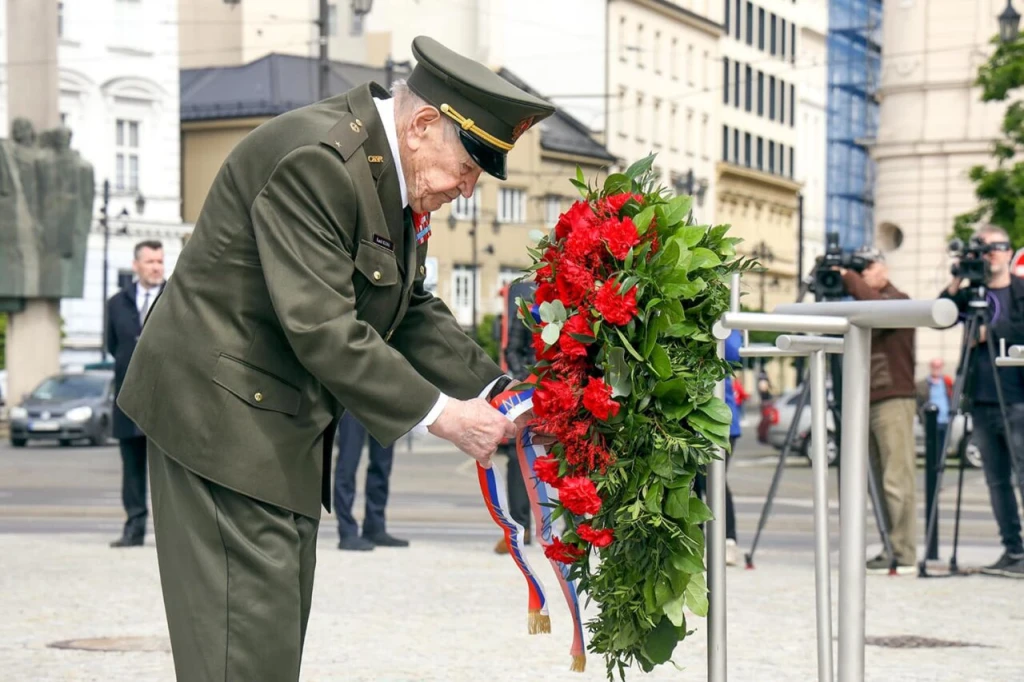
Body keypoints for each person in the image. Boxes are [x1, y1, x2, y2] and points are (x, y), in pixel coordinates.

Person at [115, 36, 556, 681]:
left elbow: (407, 312)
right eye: (468, 167)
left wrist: (503, 391)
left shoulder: (386, 178)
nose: (466, 189)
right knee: (244, 654)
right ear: (424, 124)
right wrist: (444, 415)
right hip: (219, 426)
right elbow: (322, 324)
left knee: (266, 648)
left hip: (270, 429)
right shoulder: (320, 161)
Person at [941, 224, 1024, 578]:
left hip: (1018, 398)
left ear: (1008, 252)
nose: (990, 254)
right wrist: (958, 277)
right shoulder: (970, 293)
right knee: (996, 481)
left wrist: (991, 333)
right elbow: (939, 315)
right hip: (982, 398)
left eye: (996, 247)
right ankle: (1013, 550)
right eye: (983, 249)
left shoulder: (1020, 291)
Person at [839, 249, 918, 574]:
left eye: (868, 267)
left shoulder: (899, 299)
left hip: (893, 398)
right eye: (860, 269)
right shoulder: (861, 300)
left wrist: (849, 277)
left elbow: (878, 310)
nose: (864, 274)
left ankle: (905, 552)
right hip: (864, 398)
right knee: (873, 479)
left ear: (884, 268)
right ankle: (890, 546)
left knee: (895, 479)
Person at [106, 240, 164, 548]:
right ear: (136, 265)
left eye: (160, 262)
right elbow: (113, 346)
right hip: (128, 400)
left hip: (166, 401)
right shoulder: (117, 303)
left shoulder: (175, 298)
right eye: (151, 261)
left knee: (168, 475)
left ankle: (173, 536)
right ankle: (134, 529)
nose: (156, 267)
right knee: (132, 471)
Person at [494, 281, 535, 555]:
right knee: (517, 457)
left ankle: (574, 533)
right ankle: (520, 529)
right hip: (530, 390)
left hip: (567, 388)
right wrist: (526, 381)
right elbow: (512, 350)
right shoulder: (529, 306)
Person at [695, 328, 741, 566]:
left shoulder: (723, 319)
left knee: (713, 481)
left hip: (720, 421)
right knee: (693, 482)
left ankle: (727, 540)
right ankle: (699, 540)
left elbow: (734, 351)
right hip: (690, 418)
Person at [333, 411, 406, 550]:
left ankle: (375, 527)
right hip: (352, 399)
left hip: (384, 401)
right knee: (348, 462)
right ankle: (347, 531)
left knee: (382, 465)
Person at [916, 357, 953, 458]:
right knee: (932, 447)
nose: (936, 368)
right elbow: (918, 404)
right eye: (934, 366)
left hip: (945, 420)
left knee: (943, 447)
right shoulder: (923, 384)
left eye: (939, 366)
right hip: (931, 421)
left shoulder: (946, 382)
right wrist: (922, 418)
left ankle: (939, 469)